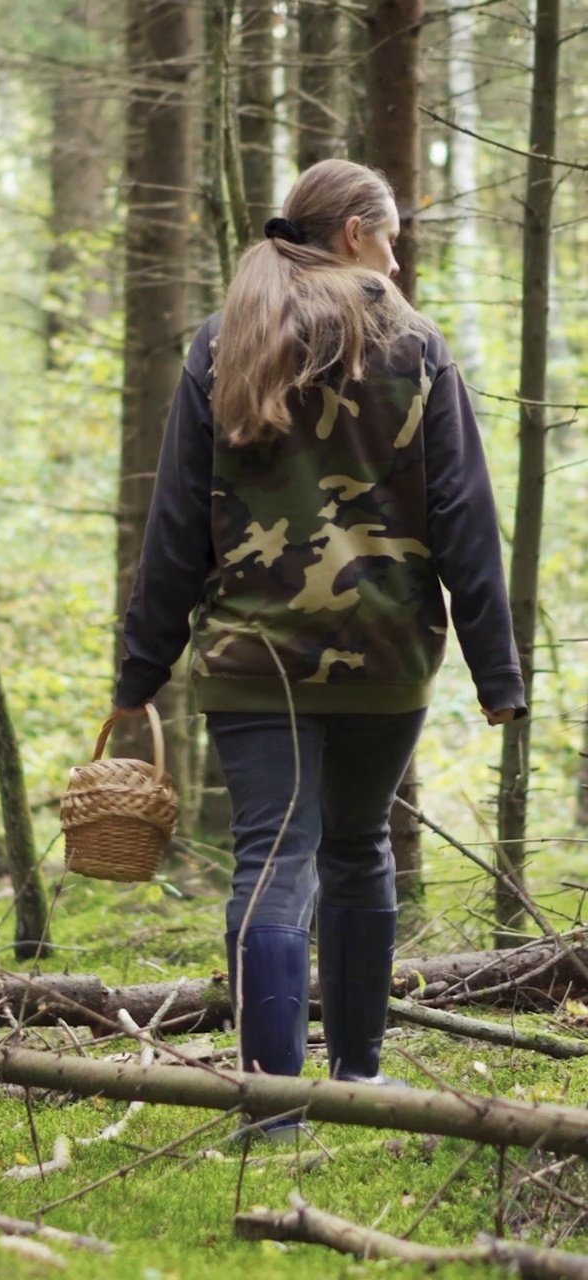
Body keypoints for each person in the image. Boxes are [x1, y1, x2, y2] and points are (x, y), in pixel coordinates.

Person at [111, 158, 527, 1136]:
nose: (395, 255)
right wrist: (497, 670)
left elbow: (175, 526)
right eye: (388, 236)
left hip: (252, 666)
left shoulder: (224, 342)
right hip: (385, 659)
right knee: (354, 850)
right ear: (352, 236)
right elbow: (466, 515)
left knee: (270, 860)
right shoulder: (416, 345)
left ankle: (273, 1106)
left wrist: (139, 671)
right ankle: (358, 1075)